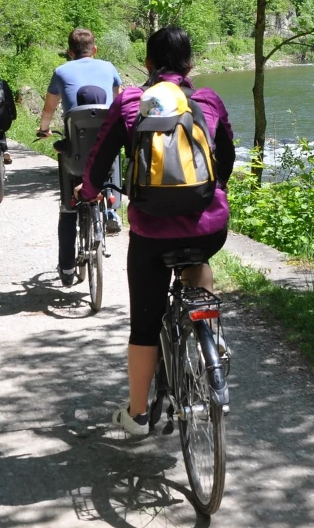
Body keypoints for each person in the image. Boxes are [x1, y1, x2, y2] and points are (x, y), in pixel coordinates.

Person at [79, 26, 235, 438]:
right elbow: (228, 157)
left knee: (145, 327)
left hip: (151, 234)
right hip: (208, 228)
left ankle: (138, 414)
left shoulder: (131, 100)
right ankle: (210, 331)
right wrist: (210, 193)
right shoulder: (207, 100)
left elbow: (100, 159)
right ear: (190, 64)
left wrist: (88, 191)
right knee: (197, 261)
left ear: (147, 63)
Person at [36, 27, 123, 286]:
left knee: (67, 208)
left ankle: (65, 268)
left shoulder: (61, 71)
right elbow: (118, 106)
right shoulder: (109, 67)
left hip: (75, 155)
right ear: (94, 49)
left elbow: (49, 108)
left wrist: (43, 130)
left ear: (69, 52)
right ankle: (112, 210)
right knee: (113, 149)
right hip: (105, 156)